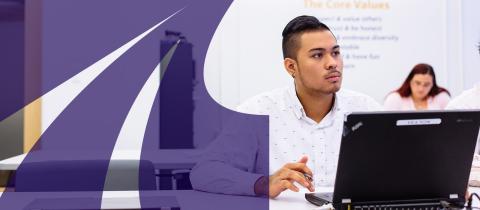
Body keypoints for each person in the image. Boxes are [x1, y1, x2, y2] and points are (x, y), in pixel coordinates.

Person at [190, 15, 381, 198]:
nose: (332, 63)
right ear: (291, 67)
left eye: (336, 53)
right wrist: (264, 183)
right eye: (317, 55)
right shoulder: (257, 112)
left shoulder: (367, 110)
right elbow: (204, 172)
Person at [383, 63, 450, 110]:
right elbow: (386, 126)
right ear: (409, 81)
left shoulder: (442, 98)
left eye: (426, 84)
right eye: (417, 83)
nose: (421, 89)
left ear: (432, 84)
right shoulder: (395, 99)